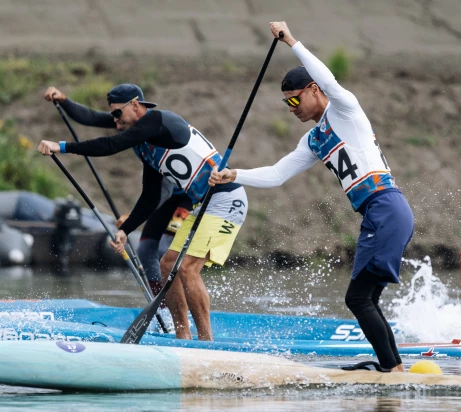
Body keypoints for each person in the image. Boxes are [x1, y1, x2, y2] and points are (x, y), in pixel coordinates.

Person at [209, 22, 414, 372]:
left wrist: (291, 41)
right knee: (367, 298)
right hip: (379, 212)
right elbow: (277, 174)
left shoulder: (345, 109)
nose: (291, 108)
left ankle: (392, 372)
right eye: (286, 103)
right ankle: (392, 367)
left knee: (358, 298)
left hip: (386, 206)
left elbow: (330, 80)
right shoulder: (314, 139)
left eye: (294, 99)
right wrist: (235, 174)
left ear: (313, 90)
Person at [39, 84, 248, 341]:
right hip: (202, 205)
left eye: (117, 114)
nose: (115, 121)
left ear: (135, 105)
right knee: (167, 265)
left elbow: (112, 144)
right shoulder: (146, 146)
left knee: (187, 269)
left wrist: (62, 146)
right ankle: (183, 336)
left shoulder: (159, 121)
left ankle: (207, 342)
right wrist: (125, 230)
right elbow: (149, 198)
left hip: (226, 198)